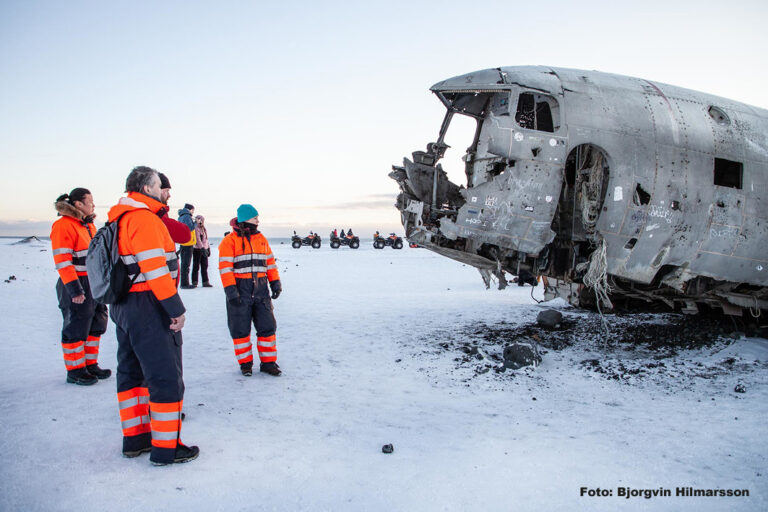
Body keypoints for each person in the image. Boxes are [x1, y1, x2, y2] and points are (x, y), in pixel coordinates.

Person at [107, 166, 198, 465]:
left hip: (123, 306)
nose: (163, 191)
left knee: (131, 373)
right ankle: (166, 448)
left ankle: (136, 439)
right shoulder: (144, 219)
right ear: (147, 189)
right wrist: (175, 309)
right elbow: (155, 270)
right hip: (148, 304)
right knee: (165, 376)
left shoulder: (121, 218)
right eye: (160, 186)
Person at [50, 188, 111, 385]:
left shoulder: (88, 225)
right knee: (76, 326)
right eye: (90, 202)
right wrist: (74, 289)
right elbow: (63, 261)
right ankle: (75, 370)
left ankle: (90, 364)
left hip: (94, 282)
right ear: (78, 204)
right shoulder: (64, 226)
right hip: (76, 282)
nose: (93, 205)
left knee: (96, 324)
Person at [218, 204, 282, 377]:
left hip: (261, 291)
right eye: (255, 218)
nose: (258, 221)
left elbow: (270, 263)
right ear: (245, 219)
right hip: (240, 290)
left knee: (267, 327)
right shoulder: (229, 241)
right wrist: (231, 291)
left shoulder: (261, 239)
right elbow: (225, 268)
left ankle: (268, 363)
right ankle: (245, 363)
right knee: (240, 329)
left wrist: (275, 282)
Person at [157, 173, 192, 245]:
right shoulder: (156, 214)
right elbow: (185, 234)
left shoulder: (160, 212)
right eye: (166, 191)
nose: (169, 195)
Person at [177, 203, 196, 289]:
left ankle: (183, 283)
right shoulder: (187, 216)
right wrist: (196, 223)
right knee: (186, 265)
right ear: (190, 209)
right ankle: (184, 284)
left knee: (183, 264)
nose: (193, 212)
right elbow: (190, 228)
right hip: (188, 243)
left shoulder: (181, 216)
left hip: (183, 243)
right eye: (193, 210)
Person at [192, 214, 211, 287]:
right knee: (196, 266)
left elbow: (206, 239)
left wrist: (208, 248)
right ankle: (194, 281)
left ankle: (205, 282)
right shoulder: (196, 228)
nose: (202, 222)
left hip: (205, 249)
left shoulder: (204, 228)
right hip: (197, 249)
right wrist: (202, 248)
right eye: (201, 220)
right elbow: (198, 239)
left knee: (204, 266)